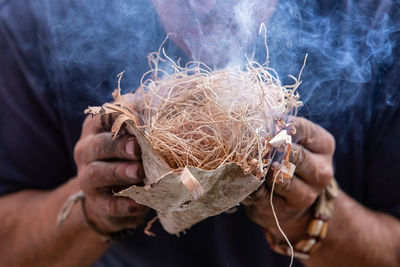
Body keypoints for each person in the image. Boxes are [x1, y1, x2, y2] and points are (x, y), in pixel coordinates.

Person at [0, 0, 399, 266]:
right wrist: (92, 210)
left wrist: (315, 216)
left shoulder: (379, 18)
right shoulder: (41, 18)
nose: (205, 4)